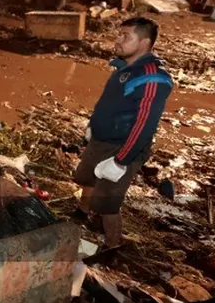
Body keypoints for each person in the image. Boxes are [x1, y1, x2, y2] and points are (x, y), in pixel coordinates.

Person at [73, 17, 173, 248]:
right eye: (119, 34)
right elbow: (109, 103)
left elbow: (145, 123)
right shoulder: (124, 67)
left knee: (107, 201)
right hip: (101, 139)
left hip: (123, 146)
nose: (117, 40)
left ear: (144, 42)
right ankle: (81, 214)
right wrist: (93, 126)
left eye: (125, 36)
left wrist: (121, 161)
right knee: (87, 178)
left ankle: (112, 246)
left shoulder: (152, 76)